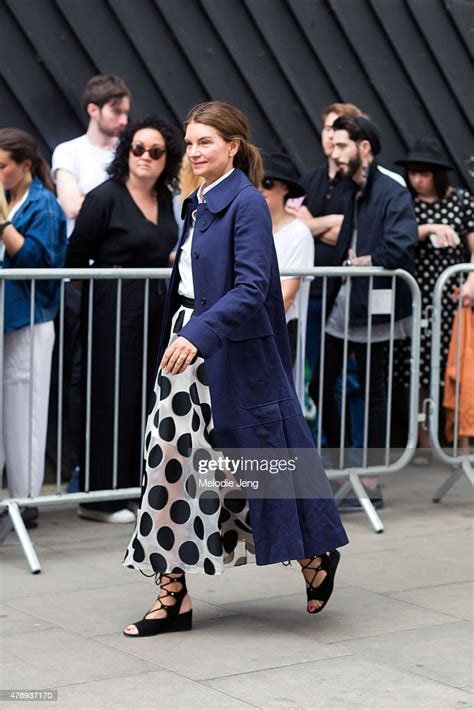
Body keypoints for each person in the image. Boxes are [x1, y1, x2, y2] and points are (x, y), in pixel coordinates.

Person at [122, 101, 348, 637]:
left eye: (206, 142)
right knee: (170, 465)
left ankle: (312, 553)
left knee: (249, 465)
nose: (194, 151)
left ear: (233, 147)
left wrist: (197, 336)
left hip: (223, 348)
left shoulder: (245, 202)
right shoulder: (193, 203)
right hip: (187, 346)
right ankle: (171, 594)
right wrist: (184, 334)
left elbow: (252, 287)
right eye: (191, 141)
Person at [66, 116, 182, 523]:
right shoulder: (105, 197)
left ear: (167, 158)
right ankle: (99, 498)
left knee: (143, 395)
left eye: (155, 151)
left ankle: (132, 488)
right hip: (112, 307)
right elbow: (76, 258)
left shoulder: (167, 198)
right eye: (137, 148)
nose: (145, 157)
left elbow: (164, 249)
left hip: (153, 308)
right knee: (109, 395)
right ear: (125, 151)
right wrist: (103, 298)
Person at [309, 115, 418, 508]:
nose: (334, 153)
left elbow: (401, 246)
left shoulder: (391, 189)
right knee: (321, 383)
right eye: (334, 145)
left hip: (376, 305)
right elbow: (342, 246)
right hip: (346, 301)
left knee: (372, 391)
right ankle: (344, 469)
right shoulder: (352, 188)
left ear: (364, 148)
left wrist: (362, 262)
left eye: (342, 146)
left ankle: (369, 482)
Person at [51, 74, 131, 492]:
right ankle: (81, 471)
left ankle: (112, 473)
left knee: (117, 377)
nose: (123, 120)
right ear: (94, 110)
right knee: (80, 375)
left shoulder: (130, 152)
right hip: (83, 279)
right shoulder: (70, 152)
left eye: (126, 112)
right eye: (116, 111)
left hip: (122, 282)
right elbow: (70, 203)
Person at [0, 128, 67, 523]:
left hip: (31, 318)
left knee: (26, 409)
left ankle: (25, 502)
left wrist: (4, 224)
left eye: (3, 166)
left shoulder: (43, 205)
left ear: (25, 165)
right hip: (10, 318)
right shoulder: (15, 198)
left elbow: (37, 265)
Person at [393, 139, 473, 464]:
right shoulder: (405, 203)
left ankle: (459, 440)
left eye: (423, 174)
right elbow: (396, 237)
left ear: (437, 175)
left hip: (452, 298)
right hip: (417, 296)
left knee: (453, 366)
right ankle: (424, 441)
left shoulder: (463, 202)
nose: (417, 180)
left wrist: (471, 280)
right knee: (416, 370)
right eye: (412, 173)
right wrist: (427, 229)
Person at [259, 152, 314, 406]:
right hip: (242, 327)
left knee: (276, 404)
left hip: (277, 330)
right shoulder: (248, 227)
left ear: (285, 189)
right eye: (254, 181)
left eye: (267, 182)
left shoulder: (298, 233)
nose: (259, 188)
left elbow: (286, 296)